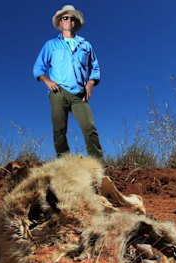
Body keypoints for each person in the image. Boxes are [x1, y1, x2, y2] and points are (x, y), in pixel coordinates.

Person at [33, 5, 103, 159]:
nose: (69, 20)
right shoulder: (51, 45)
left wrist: (90, 83)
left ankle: (99, 165)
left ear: (75, 23)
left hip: (79, 94)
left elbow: (95, 68)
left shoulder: (86, 45)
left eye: (72, 18)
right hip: (58, 91)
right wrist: (47, 81)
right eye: (65, 17)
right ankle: (65, 164)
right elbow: (38, 68)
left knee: (89, 128)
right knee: (59, 130)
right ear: (60, 23)